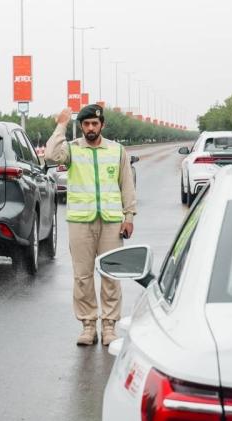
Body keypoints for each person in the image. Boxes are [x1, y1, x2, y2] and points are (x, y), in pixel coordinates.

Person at [44, 104, 137, 346]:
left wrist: (129, 216)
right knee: (83, 277)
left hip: (110, 221)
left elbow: (126, 185)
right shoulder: (73, 149)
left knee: (110, 274)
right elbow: (51, 156)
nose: (91, 128)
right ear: (81, 126)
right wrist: (61, 124)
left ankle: (109, 326)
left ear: (102, 125)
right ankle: (88, 325)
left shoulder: (116, 150)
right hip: (80, 222)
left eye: (95, 124)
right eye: (86, 124)